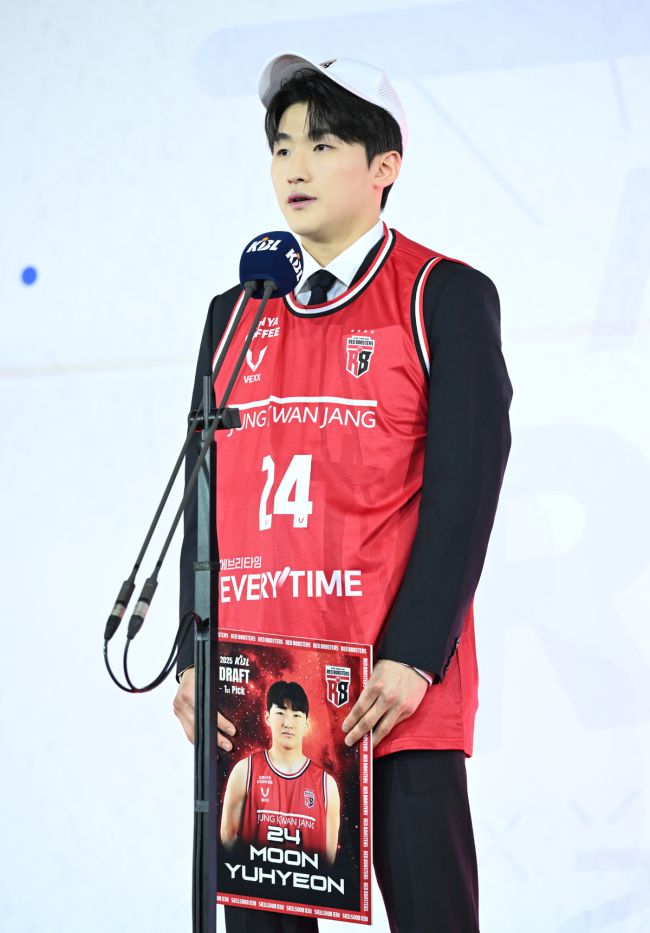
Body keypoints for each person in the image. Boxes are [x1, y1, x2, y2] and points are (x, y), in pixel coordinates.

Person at [173, 51, 513, 932]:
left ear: (384, 165)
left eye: (323, 145)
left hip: (390, 696)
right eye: (282, 146)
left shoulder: (443, 295)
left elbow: (467, 487)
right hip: (261, 699)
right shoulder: (235, 313)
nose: (295, 165)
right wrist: (194, 654)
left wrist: (415, 656)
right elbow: (203, 493)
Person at [220, 680, 340, 867]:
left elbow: (328, 858)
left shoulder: (327, 785)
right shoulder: (245, 770)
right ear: (267, 717)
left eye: (296, 715)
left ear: (307, 723)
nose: (288, 723)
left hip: (305, 885)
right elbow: (228, 836)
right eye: (281, 713)